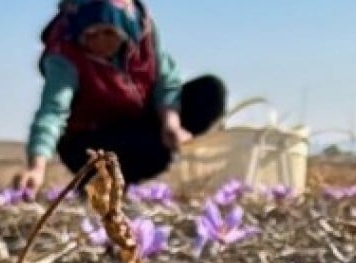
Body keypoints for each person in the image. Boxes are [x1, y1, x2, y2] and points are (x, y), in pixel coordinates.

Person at [14, 0, 227, 195]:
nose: (100, 42)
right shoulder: (65, 55)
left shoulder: (142, 34)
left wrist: (171, 123)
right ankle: (100, 184)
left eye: (109, 33)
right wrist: (36, 168)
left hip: (137, 122)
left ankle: (133, 173)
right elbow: (52, 112)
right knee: (142, 151)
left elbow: (166, 82)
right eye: (91, 34)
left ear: (126, 29)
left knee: (209, 91)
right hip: (92, 140)